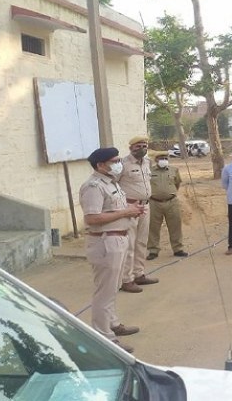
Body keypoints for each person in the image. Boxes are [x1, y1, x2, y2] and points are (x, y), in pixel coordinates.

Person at [80, 147, 143, 353]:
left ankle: (113, 324)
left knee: (113, 287)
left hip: (118, 239)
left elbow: (113, 210)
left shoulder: (112, 183)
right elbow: (92, 218)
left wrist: (131, 211)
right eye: (114, 161)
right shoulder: (93, 186)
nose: (119, 164)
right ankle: (104, 337)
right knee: (104, 292)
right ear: (100, 165)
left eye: (118, 161)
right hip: (105, 242)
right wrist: (125, 212)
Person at [118, 136, 158, 292]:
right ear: (131, 148)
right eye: (138, 146)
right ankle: (126, 279)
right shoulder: (122, 164)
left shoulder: (147, 162)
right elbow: (114, 184)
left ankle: (139, 274)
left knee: (141, 242)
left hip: (145, 206)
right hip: (130, 207)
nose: (142, 149)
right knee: (129, 243)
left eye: (144, 146)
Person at [147, 151, 187, 260]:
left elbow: (177, 183)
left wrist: (169, 193)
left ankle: (178, 249)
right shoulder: (149, 171)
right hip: (154, 202)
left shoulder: (174, 170)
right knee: (153, 227)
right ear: (156, 160)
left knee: (175, 226)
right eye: (161, 158)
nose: (163, 160)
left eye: (165, 158)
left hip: (171, 202)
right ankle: (153, 250)